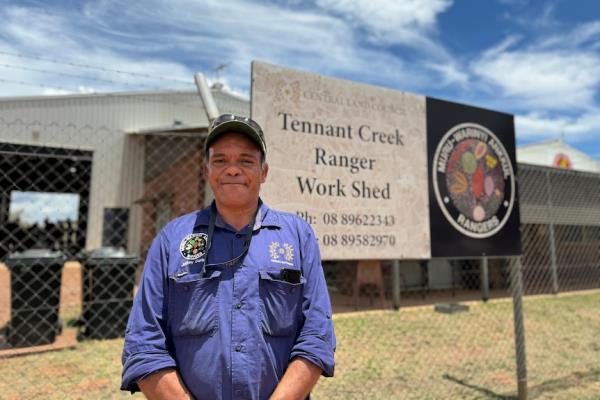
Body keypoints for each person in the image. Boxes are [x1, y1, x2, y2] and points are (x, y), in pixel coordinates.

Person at [121, 113, 336, 399]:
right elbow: (143, 344)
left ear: (264, 172)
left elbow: (317, 336)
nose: (232, 170)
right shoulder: (172, 239)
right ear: (206, 170)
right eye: (220, 160)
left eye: (246, 161)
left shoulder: (298, 236)